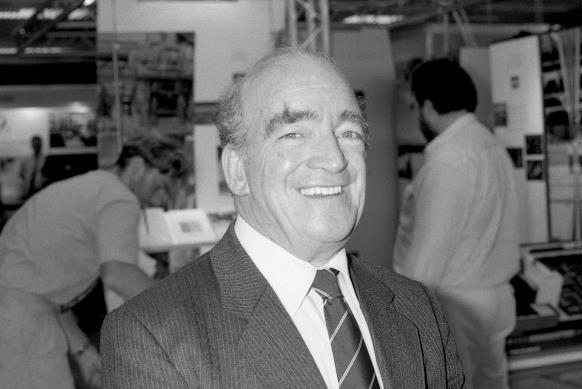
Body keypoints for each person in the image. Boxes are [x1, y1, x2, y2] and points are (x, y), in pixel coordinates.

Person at [101, 48, 466, 389]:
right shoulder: (150, 336)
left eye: (349, 133)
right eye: (293, 133)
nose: (335, 159)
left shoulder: (417, 307)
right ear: (237, 170)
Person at [0, 132, 188, 389]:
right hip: (21, 326)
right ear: (137, 166)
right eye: (159, 187)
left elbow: (44, 293)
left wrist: (83, 350)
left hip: (21, 316)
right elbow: (118, 274)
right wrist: (183, 316)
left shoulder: (93, 187)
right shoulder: (120, 198)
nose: (157, 200)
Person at [393, 58, 520, 389]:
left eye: (415, 106)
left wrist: (403, 316)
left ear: (430, 108)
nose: (416, 114)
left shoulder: (448, 161)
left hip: (457, 306)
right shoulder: (492, 147)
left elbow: (428, 254)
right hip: (497, 298)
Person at [18, 135, 46, 200]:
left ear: (41, 145)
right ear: (32, 145)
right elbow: (21, 174)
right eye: (35, 144)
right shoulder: (27, 160)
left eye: (38, 144)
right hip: (29, 189)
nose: (36, 146)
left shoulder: (45, 159)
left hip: (40, 189)